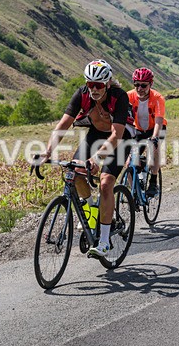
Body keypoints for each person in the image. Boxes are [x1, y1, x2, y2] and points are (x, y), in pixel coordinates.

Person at [39, 59, 135, 258]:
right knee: (74, 170)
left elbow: (117, 135)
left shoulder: (119, 97)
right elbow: (63, 124)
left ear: (107, 84)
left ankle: (105, 241)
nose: (94, 89)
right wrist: (48, 151)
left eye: (98, 85)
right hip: (96, 133)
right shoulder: (82, 94)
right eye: (90, 84)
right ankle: (92, 209)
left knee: (106, 183)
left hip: (120, 138)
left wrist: (97, 159)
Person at [127, 67, 166, 197]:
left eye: (143, 85)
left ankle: (153, 182)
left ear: (151, 84)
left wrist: (154, 138)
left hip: (155, 128)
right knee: (129, 163)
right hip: (138, 129)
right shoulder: (129, 96)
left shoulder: (158, 98)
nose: (139, 88)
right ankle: (135, 194)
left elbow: (159, 121)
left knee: (154, 150)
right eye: (136, 85)